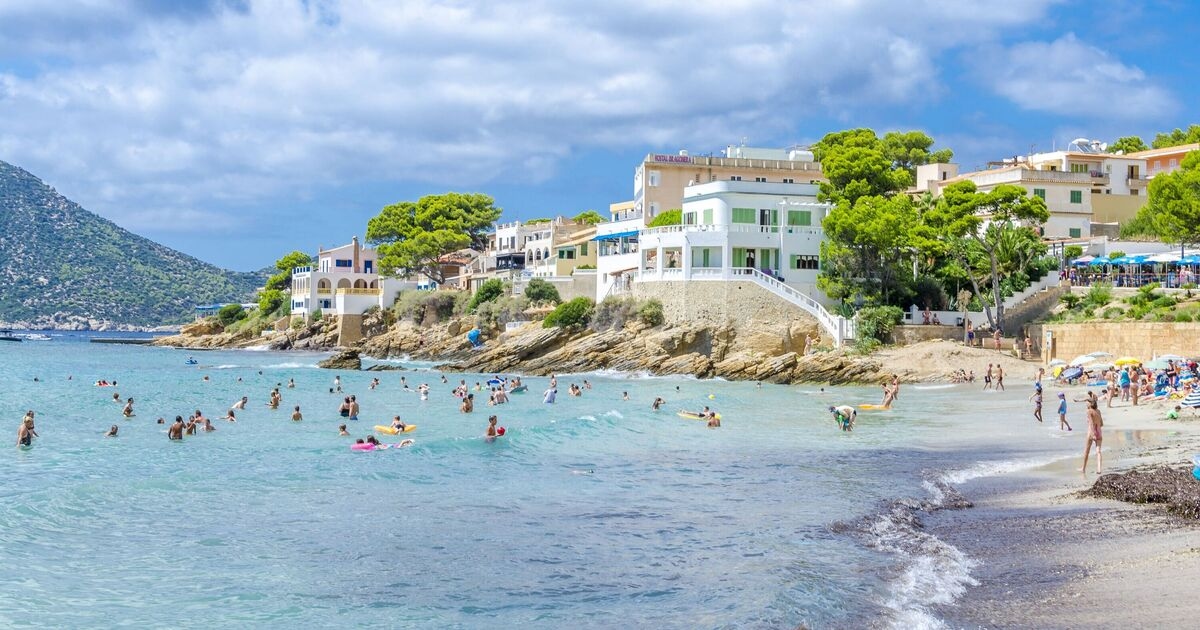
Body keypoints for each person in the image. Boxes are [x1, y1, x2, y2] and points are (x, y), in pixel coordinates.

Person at [1081, 399, 1103, 473]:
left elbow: (1091, 423)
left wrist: (1093, 433)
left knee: (1087, 451)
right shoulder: (1098, 411)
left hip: (1091, 432)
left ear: (1090, 404)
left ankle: (1083, 468)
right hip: (1099, 431)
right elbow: (1102, 423)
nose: (1086, 404)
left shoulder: (1089, 411)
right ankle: (1099, 469)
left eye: (1087, 403)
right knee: (1098, 451)